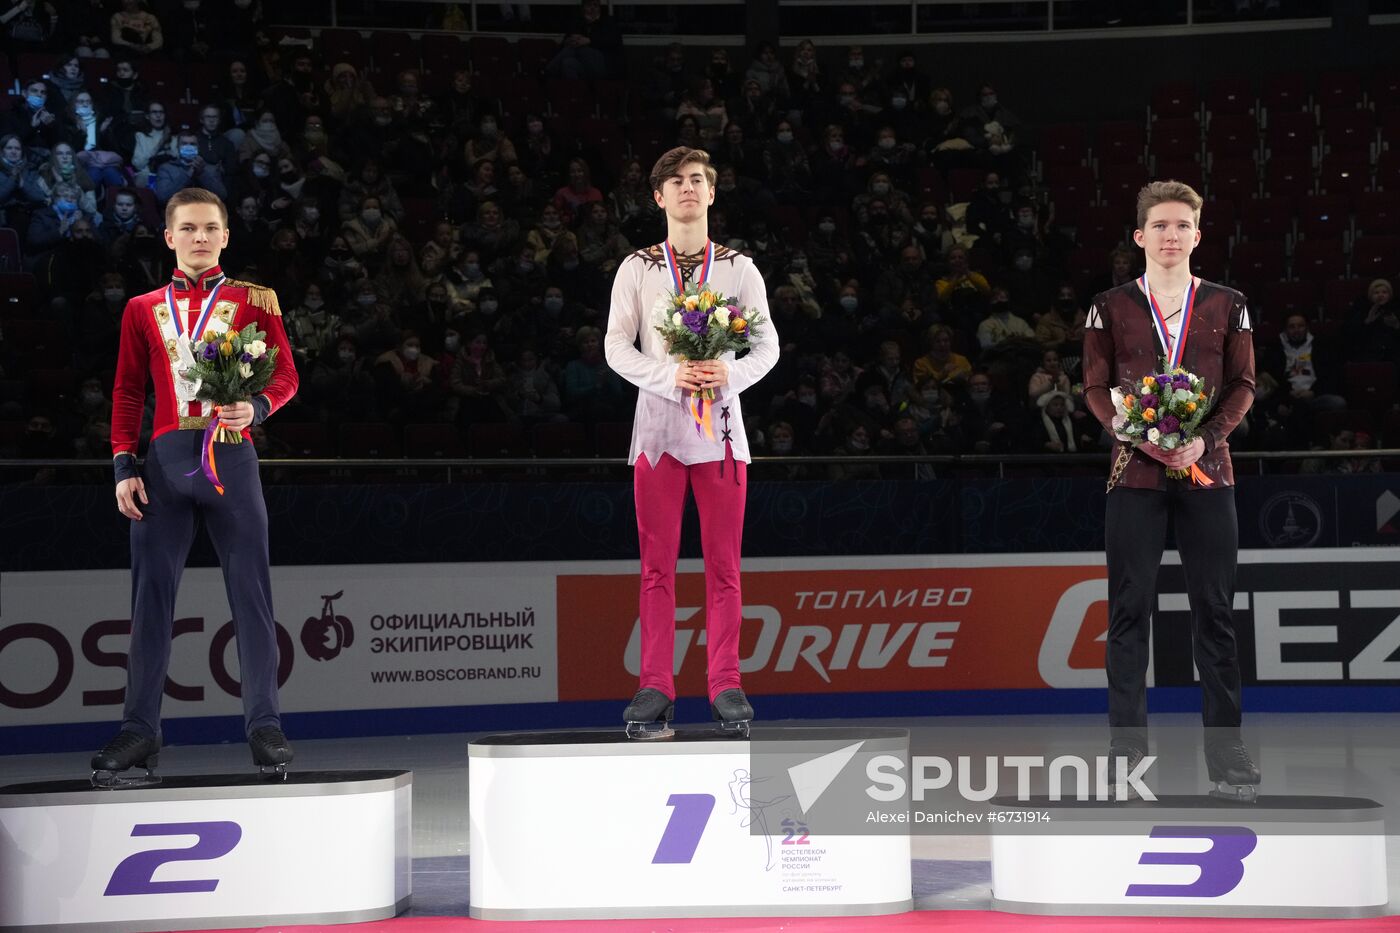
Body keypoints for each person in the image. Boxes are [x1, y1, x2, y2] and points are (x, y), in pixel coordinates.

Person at [92, 187, 298, 786]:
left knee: (252, 598)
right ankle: (140, 729)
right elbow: (127, 390)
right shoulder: (141, 308)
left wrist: (257, 407)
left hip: (231, 459)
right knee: (150, 601)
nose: (200, 237)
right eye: (188, 228)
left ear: (226, 237)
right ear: (169, 237)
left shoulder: (255, 299)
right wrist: (123, 466)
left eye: (210, 228)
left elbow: (286, 374)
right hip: (162, 467)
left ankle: (264, 725)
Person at [1082, 180, 1258, 800]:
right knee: (1129, 611)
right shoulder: (1108, 306)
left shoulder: (1229, 303)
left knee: (1216, 612)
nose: (1171, 235)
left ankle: (1228, 755)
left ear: (1198, 235)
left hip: (1209, 474)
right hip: (1134, 473)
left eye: (1182, 225)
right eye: (1159, 225)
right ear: (1140, 236)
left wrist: (1203, 441)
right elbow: (1095, 388)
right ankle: (1125, 756)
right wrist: (1136, 435)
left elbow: (1243, 384)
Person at [604, 146, 778, 738]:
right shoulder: (636, 268)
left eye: (697, 179)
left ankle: (725, 683)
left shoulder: (739, 269)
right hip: (657, 434)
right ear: (658, 197)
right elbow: (615, 346)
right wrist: (669, 374)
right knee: (657, 567)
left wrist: (728, 374)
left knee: (724, 566)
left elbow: (768, 346)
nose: (687, 187)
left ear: (712, 192)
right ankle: (656, 683)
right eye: (675, 180)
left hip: (721, 434)